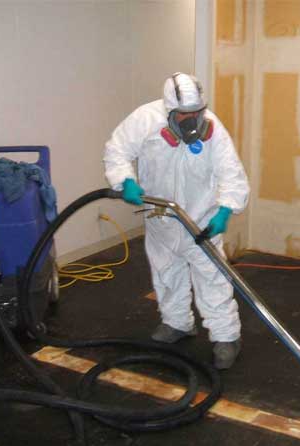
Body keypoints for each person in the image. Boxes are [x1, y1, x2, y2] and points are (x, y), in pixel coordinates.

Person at [103, 72, 250, 369]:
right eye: (184, 114)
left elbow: (231, 172)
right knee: (166, 273)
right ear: (169, 110)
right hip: (161, 218)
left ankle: (226, 336)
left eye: (197, 112)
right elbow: (116, 150)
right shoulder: (145, 120)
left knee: (212, 278)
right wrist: (125, 181)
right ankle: (177, 323)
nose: (193, 119)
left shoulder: (214, 129)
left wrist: (225, 210)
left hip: (200, 220)